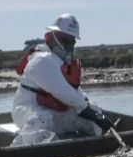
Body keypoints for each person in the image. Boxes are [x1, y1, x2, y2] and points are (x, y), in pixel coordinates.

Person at [11, 13, 113, 145]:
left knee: (93, 111)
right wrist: (88, 111)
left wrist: (93, 111)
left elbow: (76, 92)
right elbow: (64, 92)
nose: (69, 46)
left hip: (54, 110)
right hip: (28, 109)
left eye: (72, 42)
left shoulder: (61, 61)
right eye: (65, 40)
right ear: (53, 37)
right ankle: (25, 152)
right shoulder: (41, 60)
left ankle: (97, 146)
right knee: (42, 118)